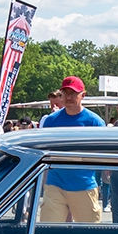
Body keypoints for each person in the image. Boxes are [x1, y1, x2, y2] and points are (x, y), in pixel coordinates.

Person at [39, 75, 106, 222]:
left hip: (83, 184)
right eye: (65, 93)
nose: (69, 97)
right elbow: (44, 153)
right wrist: (44, 182)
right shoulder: (51, 121)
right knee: (49, 230)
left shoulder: (95, 122)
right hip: (55, 184)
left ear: (83, 95)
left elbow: (102, 154)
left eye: (73, 93)